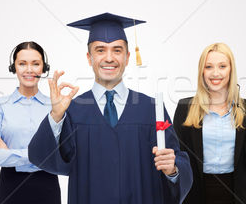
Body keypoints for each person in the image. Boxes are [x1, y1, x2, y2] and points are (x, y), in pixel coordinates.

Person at [28, 12, 193, 203]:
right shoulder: (73, 111)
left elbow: (175, 159)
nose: (109, 58)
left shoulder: (151, 109)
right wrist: (55, 116)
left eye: (117, 50)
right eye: (100, 50)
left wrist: (172, 170)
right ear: (89, 58)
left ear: (127, 56)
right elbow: (42, 157)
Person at [173, 42, 246, 204]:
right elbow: (179, 162)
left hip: (237, 196)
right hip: (196, 195)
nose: (215, 73)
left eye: (222, 66)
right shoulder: (185, 109)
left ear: (231, 70)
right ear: (202, 71)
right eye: (209, 67)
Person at [0, 41, 60, 204]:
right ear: (14, 67)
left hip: (47, 187)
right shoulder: (0, 106)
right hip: (10, 187)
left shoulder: (55, 106)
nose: (29, 69)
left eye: (35, 64)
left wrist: (9, 152)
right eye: (22, 64)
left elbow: (58, 155)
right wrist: (39, 155)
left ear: (44, 67)